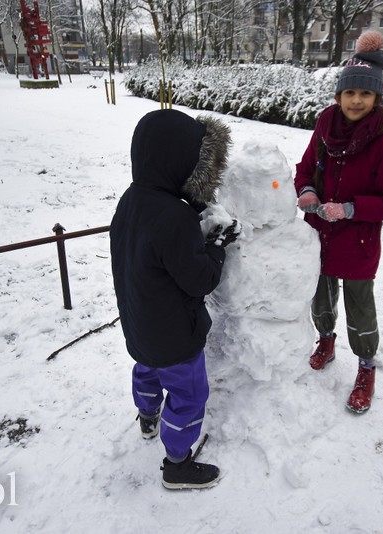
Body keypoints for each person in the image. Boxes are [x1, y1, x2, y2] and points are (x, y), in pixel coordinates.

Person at [110, 109, 238, 490]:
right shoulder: (175, 220)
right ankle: (178, 463)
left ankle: (147, 416)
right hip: (176, 337)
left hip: (138, 323)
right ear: (181, 163)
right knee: (188, 393)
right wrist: (216, 247)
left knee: (146, 369)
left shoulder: (131, 201)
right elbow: (200, 281)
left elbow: (153, 246)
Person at [294, 31, 383, 414]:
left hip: (358, 241)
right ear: (338, 96)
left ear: (377, 98)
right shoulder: (325, 129)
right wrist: (308, 192)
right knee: (321, 295)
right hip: (321, 236)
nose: (356, 100)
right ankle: (325, 341)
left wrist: (350, 208)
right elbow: (305, 169)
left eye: (365, 94)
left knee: (360, 307)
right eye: (350, 93)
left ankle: (365, 367)